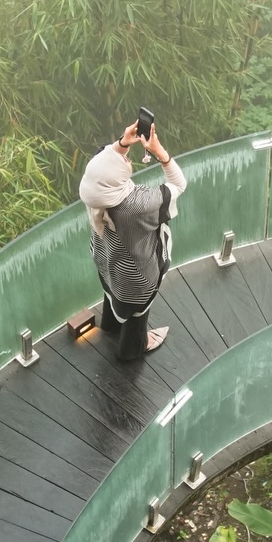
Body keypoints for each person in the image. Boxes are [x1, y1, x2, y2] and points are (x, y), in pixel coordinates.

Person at [78, 119, 187, 361]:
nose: (125, 160)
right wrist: (160, 153)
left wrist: (123, 143)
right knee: (138, 313)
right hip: (136, 278)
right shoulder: (135, 206)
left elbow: (100, 164)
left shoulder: (93, 192)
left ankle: (110, 326)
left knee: (112, 293)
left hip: (105, 258)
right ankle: (133, 348)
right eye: (123, 160)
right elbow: (179, 184)